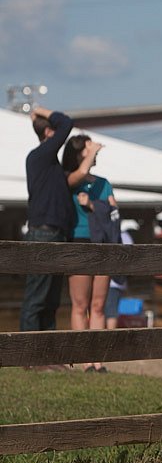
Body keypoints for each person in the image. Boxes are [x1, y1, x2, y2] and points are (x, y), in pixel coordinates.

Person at [20, 106, 75, 334]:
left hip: (53, 232)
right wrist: (38, 110)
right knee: (37, 297)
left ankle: (46, 353)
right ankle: (29, 354)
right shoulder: (41, 154)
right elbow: (66, 123)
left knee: (51, 299)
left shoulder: (48, 161)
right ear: (49, 133)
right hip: (44, 232)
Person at [62, 134, 113, 372]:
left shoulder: (104, 182)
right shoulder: (71, 179)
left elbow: (114, 211)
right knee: (80, 304)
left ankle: (98, 359)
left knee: (99, 304)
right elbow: (77, 176)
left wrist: (94, 205)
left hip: (102, 243)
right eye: (88, 148)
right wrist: (91, 149)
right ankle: (83, 360)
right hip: (79, 241)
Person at [105, 230, 134, 331]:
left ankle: (110, 336)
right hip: (116, 282)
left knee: (110, 312)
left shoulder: (123, 235)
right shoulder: (124, 235)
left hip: (113, 282)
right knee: (110, 311)